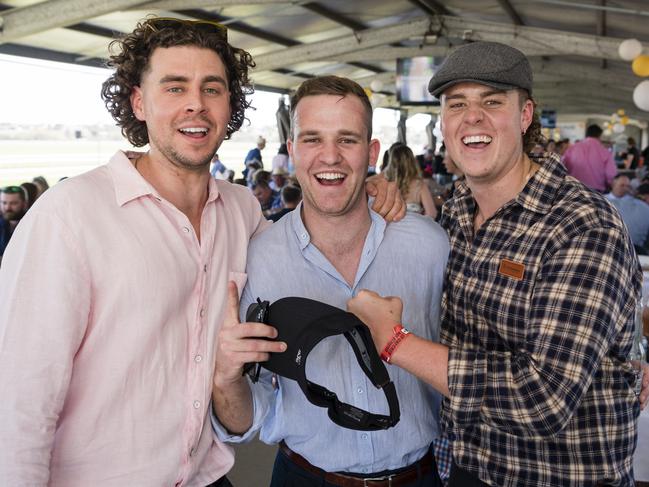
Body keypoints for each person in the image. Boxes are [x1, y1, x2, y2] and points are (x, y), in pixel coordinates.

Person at [0, 17, 405, 487]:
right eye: (174, 88)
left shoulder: (241, 211)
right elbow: (18, 401)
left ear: (229, 105)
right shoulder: (70, 215)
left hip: (205, 477)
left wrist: (365, 189)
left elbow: (306, 234)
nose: (196, 103)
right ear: (138, 101)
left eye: (212, 88)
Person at [348, 41, 645, 487]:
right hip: (464, 463)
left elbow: (542, 398)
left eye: (492, 101)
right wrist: (364, 196)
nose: (472, 117)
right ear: (444, 122)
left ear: (526, 116)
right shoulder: (457, 209)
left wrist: (395, 342)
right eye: (457, 104)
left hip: (557, 475)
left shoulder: (582, 224)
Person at [211, 75, 449, 487]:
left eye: (347, 140)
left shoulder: (430, 246)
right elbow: (244, 420)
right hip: (304, 477)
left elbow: (465, 366)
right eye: (312, 139)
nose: (330, 157)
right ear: (292, 151)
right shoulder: (258, 259)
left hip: (421, 476)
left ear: (372, 152)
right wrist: (225, 379)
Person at [384, 144, 437, 218]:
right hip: (415, 228)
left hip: (390, 228)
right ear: (412, 161)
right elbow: (432, 213)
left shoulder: (384, 184)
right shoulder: (419, 185)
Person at [562, 124, 617, 192]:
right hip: (596, 192)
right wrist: (610, 184)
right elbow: (610, 174)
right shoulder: (605, 151)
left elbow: (563, 166)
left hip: (574, 189)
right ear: (599, 135)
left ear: (586, 134)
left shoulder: (573, 148)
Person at [606, 174, 649, 255]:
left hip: (635, 248)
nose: (625, 188)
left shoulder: (641, 206)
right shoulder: (601, 199)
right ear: (613, 184)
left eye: (628, 186)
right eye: (622, 185)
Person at [0, 185, 28, 261]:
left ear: (24, 203)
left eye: (13, 203)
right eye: (4, 203)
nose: (7, 208)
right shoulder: (1, 223)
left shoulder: (31, 224)